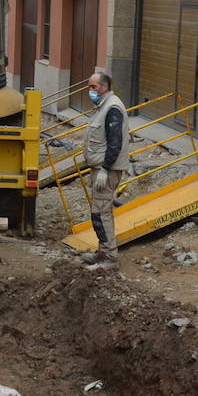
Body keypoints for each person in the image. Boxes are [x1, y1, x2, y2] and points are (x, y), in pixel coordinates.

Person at [80, 71, 128, 270]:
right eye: (89, 87)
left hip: (107, 170)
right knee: (99, 212)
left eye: (93, 87)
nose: (90, 91)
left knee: (101, 213)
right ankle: (103, 252)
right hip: (102, 168)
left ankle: (110, 258)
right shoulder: (104, 106)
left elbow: (115, 143)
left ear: (104, 87)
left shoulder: (112, 108)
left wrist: (105, 169)